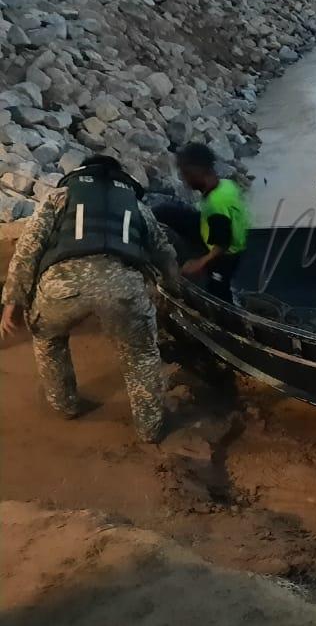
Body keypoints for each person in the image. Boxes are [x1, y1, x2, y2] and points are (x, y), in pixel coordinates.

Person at [0, 155, 179, 442]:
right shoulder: (137, 205)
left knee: (48, 339)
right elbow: (164, 252)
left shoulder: (60, 196)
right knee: (140, 353)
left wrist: (12, 303)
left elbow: (27, 250)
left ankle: (65, 405)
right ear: (118, 177)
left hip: (62, 287)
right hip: (123, 288)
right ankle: (149, 428)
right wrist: (174, 289)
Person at [153, 142, 248, 302]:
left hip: (227, 253)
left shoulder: (216, 204)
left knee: (218, 293)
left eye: (186, 173)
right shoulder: (225, 185)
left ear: (199, 171)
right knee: (165, 211)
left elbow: (223, 245)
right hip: (210, 225)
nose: (184, 178)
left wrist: (199, 263)